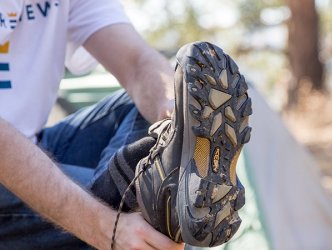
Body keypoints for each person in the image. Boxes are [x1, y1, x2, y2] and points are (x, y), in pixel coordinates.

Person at [0, 0, 252, 249]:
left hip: (33, 140)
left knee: (153, 106)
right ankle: (146, 205)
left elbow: (136, 62)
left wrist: (173, 112)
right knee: (146, 216)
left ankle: (156, 199)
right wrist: (103, 225)